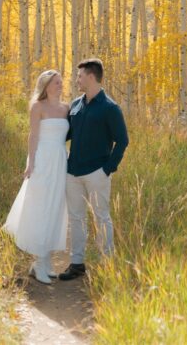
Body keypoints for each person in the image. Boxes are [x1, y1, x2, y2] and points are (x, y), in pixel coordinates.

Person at [59, 58, 129, 281]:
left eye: (79, 76)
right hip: (73, 173)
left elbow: (123, 140)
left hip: (96, 173)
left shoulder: (110, 108)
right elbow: (66, 135)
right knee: (76, 219)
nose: (76, 80)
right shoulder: (75, 105)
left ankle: (107, 265)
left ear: (90, 77)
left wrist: (107, 168)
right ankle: (77, 263)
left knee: (101, 218)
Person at [2, 70, 69, 284]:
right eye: (56, 83)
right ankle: (39, 262)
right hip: (42, 159)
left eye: (61, 82)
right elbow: (33, 136)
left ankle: (45, 261)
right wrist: (31, 163)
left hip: (60, 160)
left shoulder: (66, 108)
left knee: (55, 207)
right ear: (47, 85)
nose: (60, 85)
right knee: (41, 207)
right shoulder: (37, 107)